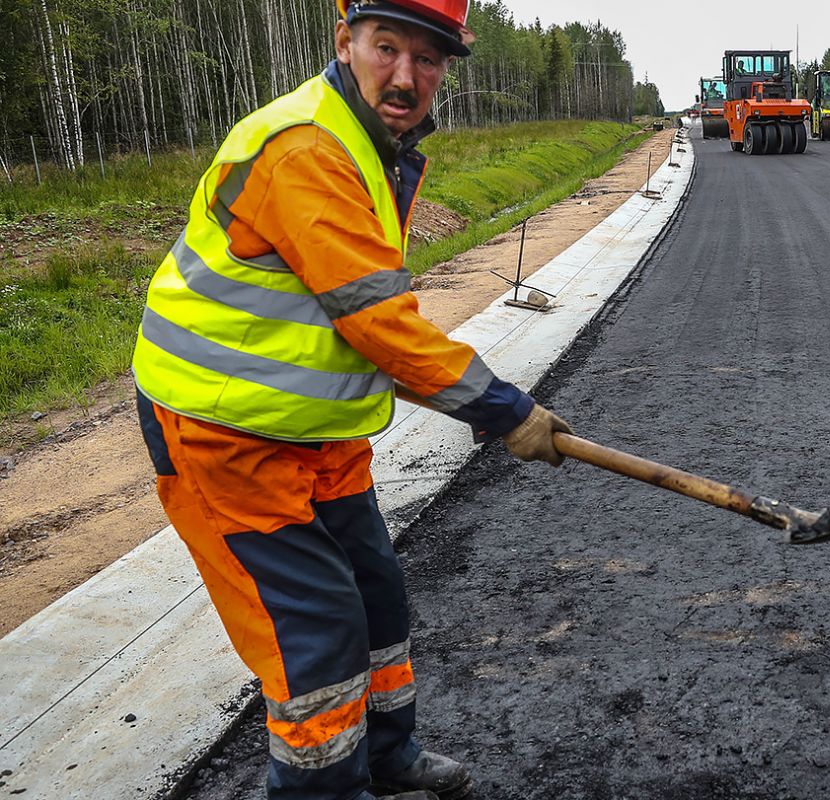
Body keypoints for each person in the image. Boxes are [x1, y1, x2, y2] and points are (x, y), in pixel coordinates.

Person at [130, 0, 570, 797]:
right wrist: (504, 412)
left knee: (376, 591)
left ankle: (388, 758)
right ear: (347, 42)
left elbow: (355, 320)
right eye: (387, 48)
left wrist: (480, 403)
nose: (407, 76)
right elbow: (377, 325)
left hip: (313, 431)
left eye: (429, 59)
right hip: (222, 433)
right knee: (318, 639)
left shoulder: (375, 143)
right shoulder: (308, 148)